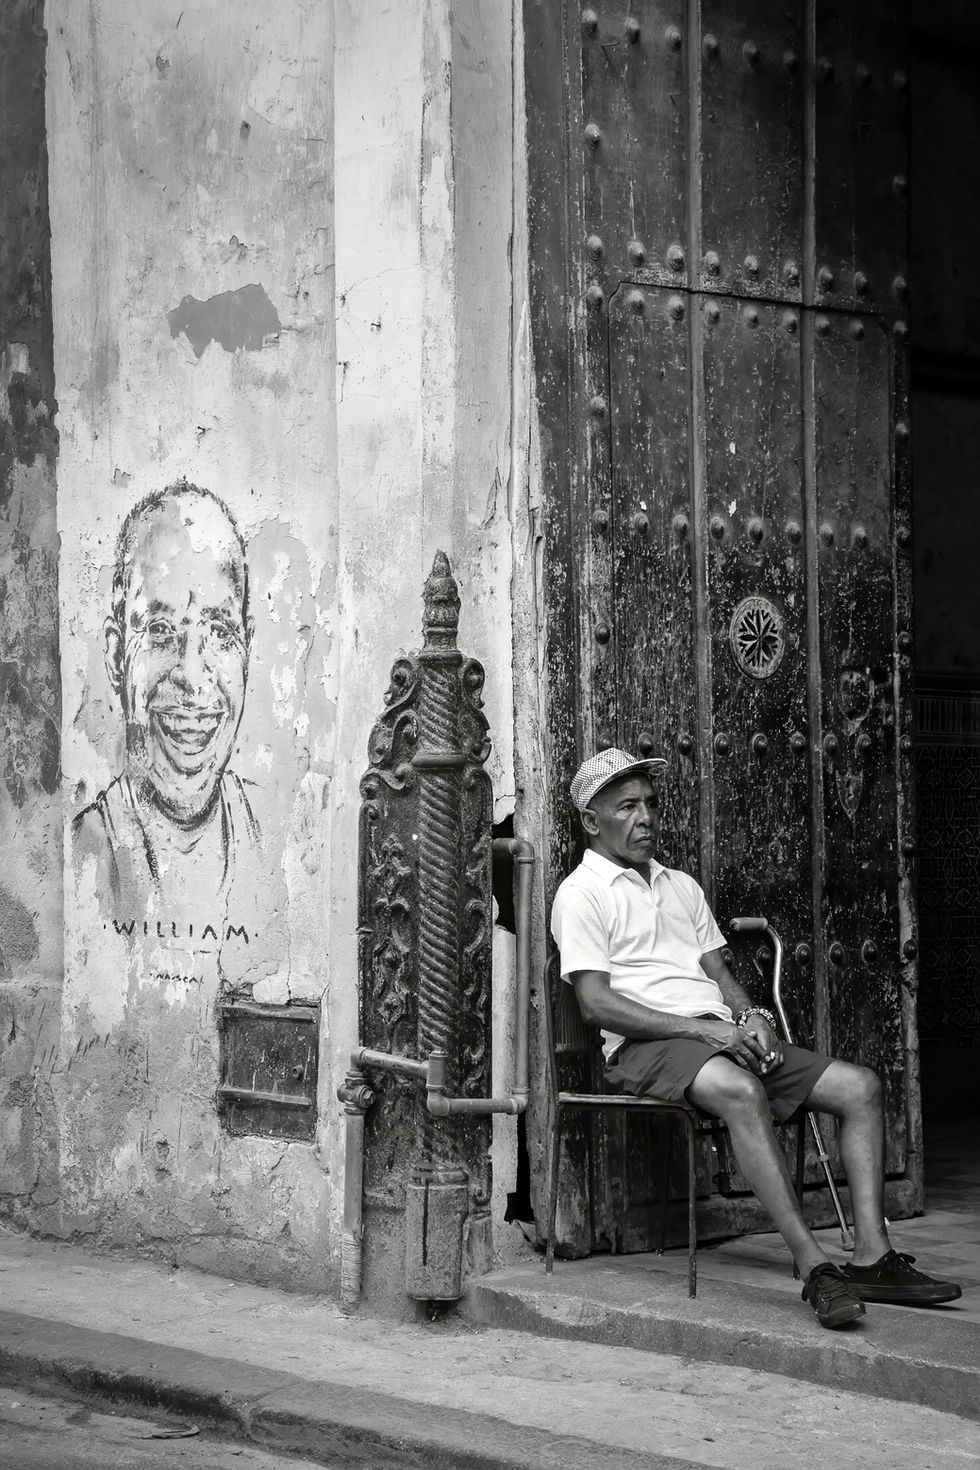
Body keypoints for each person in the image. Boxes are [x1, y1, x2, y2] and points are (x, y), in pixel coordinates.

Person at [551, 747, 962, 1328]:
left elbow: (720, 975)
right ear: (592, 821)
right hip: (645, 1046)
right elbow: (595, 1004)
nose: (646, 817)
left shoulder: (681, 886)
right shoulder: (581, 893)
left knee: (860, 1087)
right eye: (627, 807)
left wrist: (749, 1017)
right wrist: (704, 1031)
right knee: (742, 1092)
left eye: (650, 804)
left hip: (717, 1036)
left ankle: (872, 1254)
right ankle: (815, 1266)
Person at [73, 481, 260, 913]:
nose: (192, 678)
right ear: (118, 656)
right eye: (159, 631)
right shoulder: (86, 857)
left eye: (219, 633)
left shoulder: (275, 839)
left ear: (247, 650)